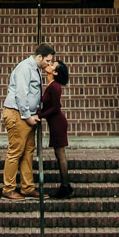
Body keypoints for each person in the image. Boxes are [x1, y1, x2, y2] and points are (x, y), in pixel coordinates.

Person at [0, 43, 55, 200]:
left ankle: (27, 187)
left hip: (26, 115)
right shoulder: (25, 68)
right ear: (39, 57)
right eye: (48, 61)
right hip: (17, 114)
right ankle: (8, 188)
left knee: (28, 151)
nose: (49, 64)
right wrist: (27, 116)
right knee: (15, 151)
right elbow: (21, 94)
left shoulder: (35, 68)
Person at [42, 56, 73, 200]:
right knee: (58, 154)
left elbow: (55, 108)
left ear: (55, 73)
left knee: (60, 154)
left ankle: (65, 186)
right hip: (54, 123)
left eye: (52, 64)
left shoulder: (55, 87)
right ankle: (65, 186)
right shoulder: (51, 85)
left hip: (57, 123)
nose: (48, 64)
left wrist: (40, 115)